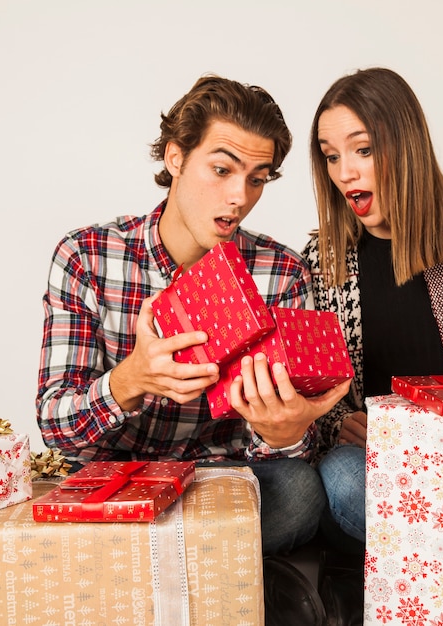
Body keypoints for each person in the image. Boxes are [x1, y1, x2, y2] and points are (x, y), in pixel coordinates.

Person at [36, 75, 350, 622]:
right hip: (117, 482)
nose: (240, 197)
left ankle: (160, 574)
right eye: (222, 169)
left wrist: (285, 433)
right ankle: (219, 572)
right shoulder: (86, 255)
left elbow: (287, 451)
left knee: (300, 490)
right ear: (176, 157)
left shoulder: (281, 272)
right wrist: (130, 380)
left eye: (258, 179)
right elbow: (54, 425)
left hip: (221, 484)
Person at [301, 67, 443, 620]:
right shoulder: (322, 258)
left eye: (362, 149)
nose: (345, 171)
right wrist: (339, 422)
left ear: (404, 145)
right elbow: (314, 397)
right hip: (378, 471)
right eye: (331, 156)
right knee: (339, 477)